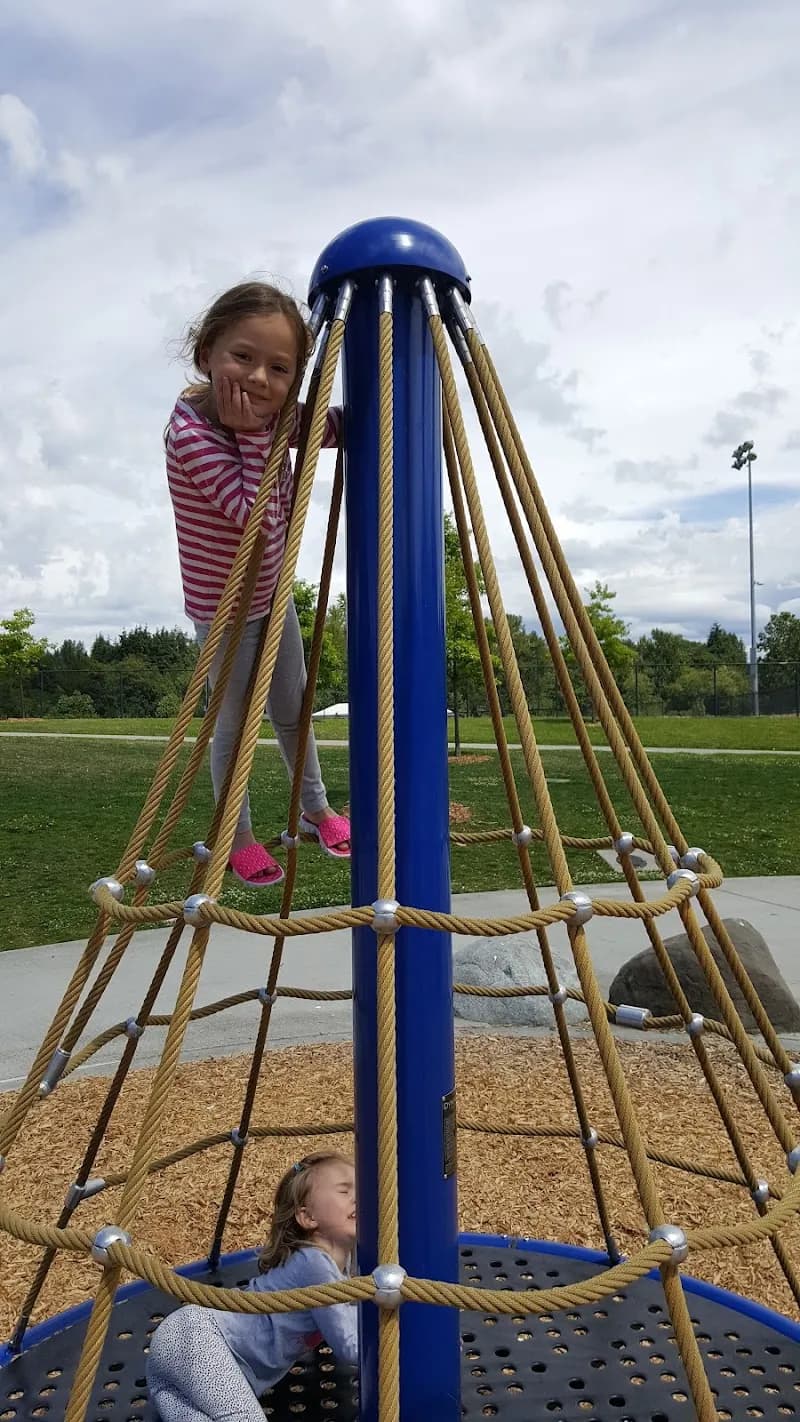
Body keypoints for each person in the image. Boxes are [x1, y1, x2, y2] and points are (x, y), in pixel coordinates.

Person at [166, 281, 350, 886]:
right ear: (207, 354)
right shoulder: (191, 436)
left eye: (279, 368)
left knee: (293, 709)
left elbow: (329, 429)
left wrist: (371, 408)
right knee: (236, 723)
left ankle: (315, 808)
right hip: (224, 610)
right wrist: (252, 435)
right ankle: (236, 835)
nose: (258, 378)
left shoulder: (273, 416)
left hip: (272, 596)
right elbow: (261, 522)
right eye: (243, 357)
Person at [147, 1152, 358, 1422]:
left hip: (187, 1353)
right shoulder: (315, 1263)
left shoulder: (345, 1259)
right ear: (307, 1217)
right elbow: (349, 1345)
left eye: (359, 1188)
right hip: (203, 1339)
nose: (357, 1197)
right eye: (344, 1191)